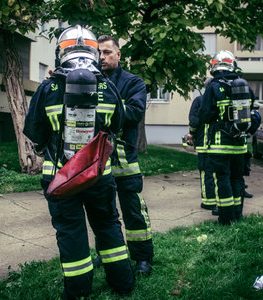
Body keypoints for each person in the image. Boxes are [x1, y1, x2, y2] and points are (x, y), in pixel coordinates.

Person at [23, 25, 134, 299]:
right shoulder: (108, 88)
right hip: (98, 175)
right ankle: (122, 283)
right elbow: (118, 125)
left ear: (61, 51)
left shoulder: (48, 88)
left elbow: (34, 131)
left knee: (71, 232)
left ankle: (78, 291)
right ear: (95, 53)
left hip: (60, 178)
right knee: (108, 225)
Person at [96, 34, 154, 275]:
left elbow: (134, 112)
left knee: (133, 211)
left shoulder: (133, 82)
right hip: (97, 160)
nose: (102, 57)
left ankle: (142, 258)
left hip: (124, 159)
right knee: (103, 211)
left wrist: (104, 111)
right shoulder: (89, 80)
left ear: (118, 55)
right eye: (98, 52)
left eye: (107, 52)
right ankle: (107, 254)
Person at [197, 50, 253, 225]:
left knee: (222, 179)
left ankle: (226, 218)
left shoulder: (213, 86)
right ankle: (237, 215)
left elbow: (205, 114)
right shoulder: (244, 86)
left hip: (220, 145)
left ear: (214, 66)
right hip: (240, 144)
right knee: (237, 179)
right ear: (232, 64)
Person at [187, 79, 217, 211]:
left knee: (205, 172)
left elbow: (194, 121)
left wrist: (191, 134)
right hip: (219, 145)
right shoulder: (219, 101)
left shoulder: (200, 101)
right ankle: (219, 201)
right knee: (217, 173)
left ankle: (208, 201)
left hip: (204, 144)